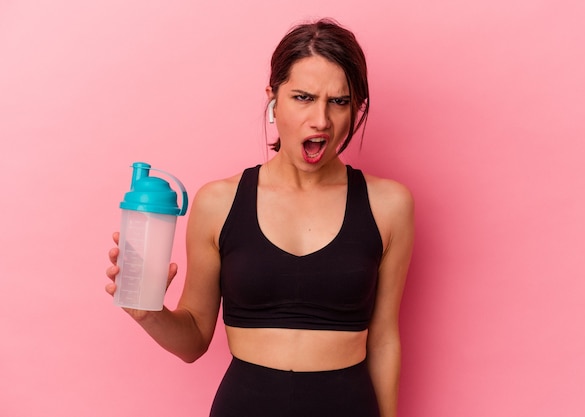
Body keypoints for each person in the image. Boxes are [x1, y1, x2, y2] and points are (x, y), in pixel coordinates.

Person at [105, 18, 414, 417]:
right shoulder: (218, 202)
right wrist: (149, 312)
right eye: (303, 97)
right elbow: (194, 341)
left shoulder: (389, 205)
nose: (321, 119)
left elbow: (385, 338)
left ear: (357, 108)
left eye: (339, 101)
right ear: (273, 98)